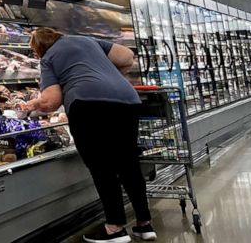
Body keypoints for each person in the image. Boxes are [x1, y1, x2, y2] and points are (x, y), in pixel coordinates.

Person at [23, 27, 155, 243]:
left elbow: (51, 101)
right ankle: (144, 224)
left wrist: (31, 104)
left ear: (39, 49)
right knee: (128, 164)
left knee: (102, 167)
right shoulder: (86, 40)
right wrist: (108, 77)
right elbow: (127, 56)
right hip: (127, 100)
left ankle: (115, 228)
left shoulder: (49, 57)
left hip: (88, 104)